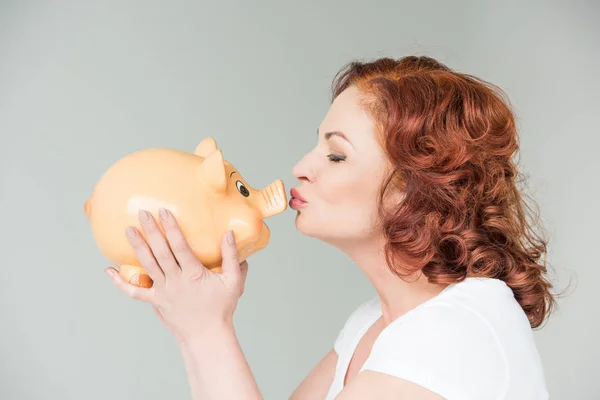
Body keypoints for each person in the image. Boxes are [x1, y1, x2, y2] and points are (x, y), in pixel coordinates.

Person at [105, 55, 555, 399]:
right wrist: (191, 325)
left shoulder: (458, 328)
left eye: (336, 155)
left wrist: (208, 331)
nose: (301, 166)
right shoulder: (371, 326)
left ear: (417, 189)